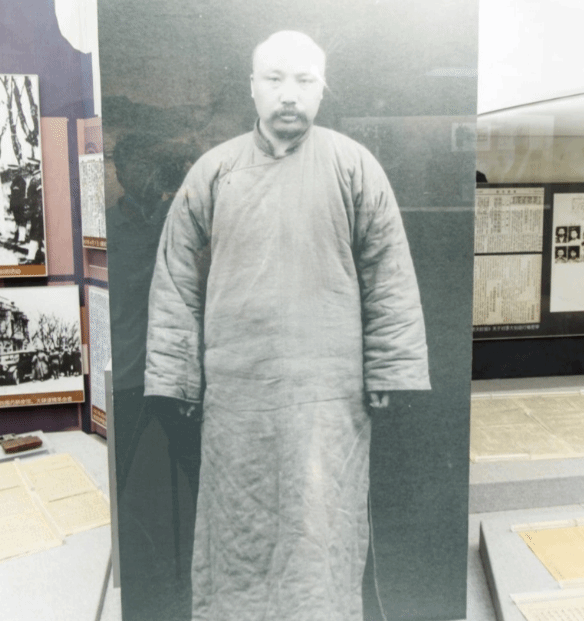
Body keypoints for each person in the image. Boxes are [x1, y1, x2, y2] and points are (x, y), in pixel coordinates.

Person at [145, 30, 430, 621]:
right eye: (274, 79)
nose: (289, 94)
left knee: (322, 521)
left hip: (328, 390)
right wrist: (178, 380)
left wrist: (389, 368)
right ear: (252, 87)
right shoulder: (214, 170)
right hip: (237, 390)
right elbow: (175, 278)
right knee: (236, 525)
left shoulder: (354, 165)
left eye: (304, 80)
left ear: (323, 88)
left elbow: (389, 272)